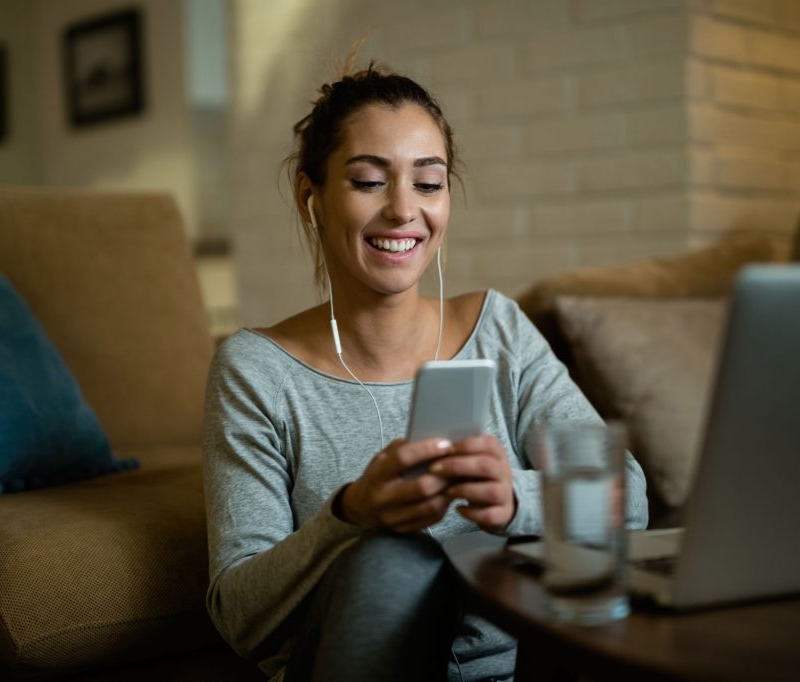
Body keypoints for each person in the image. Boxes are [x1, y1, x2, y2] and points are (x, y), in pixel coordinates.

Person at [202, 63, 649, 682]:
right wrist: (351, 514)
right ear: (313, 198)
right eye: (367, 181)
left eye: (429, 183)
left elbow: (626, 496)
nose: (403, 210)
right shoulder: (255, 370)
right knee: (391, 557)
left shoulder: (500, 331)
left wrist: (515, 496)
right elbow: (238, 615)